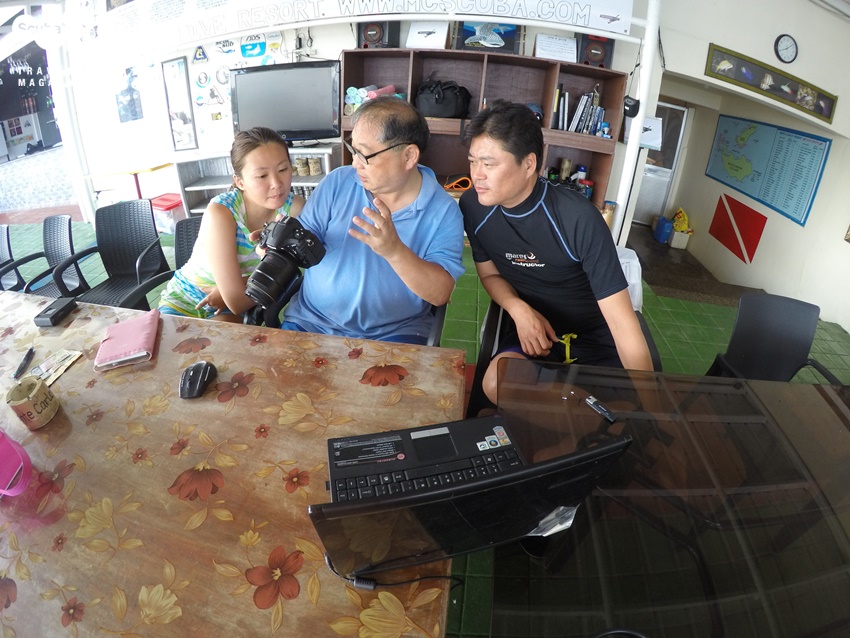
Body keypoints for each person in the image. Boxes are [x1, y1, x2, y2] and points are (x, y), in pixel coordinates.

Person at [460, 99, 652, 403]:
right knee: (496, 383)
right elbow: (490, 274)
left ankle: (578, 412)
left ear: (529, 164)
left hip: (596, 339)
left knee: (622, 409)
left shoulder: (577, 218)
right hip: (535, 334)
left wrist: (653, 409)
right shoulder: (474, 206)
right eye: (473, 161)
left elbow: (622, 324)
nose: (477, 174)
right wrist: (518, 309)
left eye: (489, 164)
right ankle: (577, 411)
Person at [278, 96, 465, 344]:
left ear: (409, 156)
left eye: (364, 154)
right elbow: (305, 240)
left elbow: (440, 293)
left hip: (395, 333)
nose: (354, 163)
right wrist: (279, 244)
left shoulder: (443, 212)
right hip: (311, 321)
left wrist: (394, 251)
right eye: (353, 149)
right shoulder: (337, 183)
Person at [158, 127, 304, 322]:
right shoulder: (222, 213)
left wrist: (236, 287)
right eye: (262, 176)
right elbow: (237, 299)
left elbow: (236, 303)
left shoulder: (295, 209)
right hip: (184, 300)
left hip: (232, 307)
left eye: (283, 169)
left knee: (223, 340)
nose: (276, 183)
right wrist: (272, 276)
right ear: (240, 182)